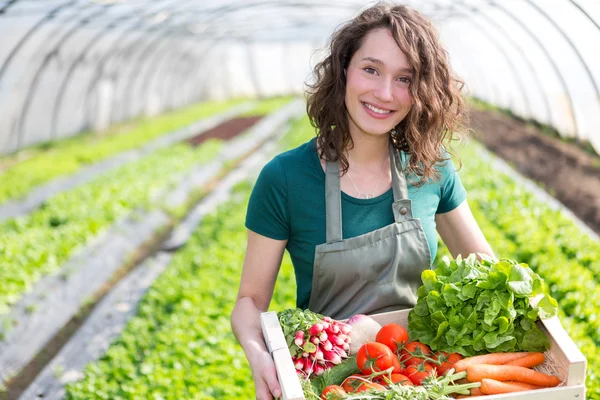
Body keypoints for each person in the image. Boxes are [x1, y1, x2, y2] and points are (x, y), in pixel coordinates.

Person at [231, 3, 494, 399]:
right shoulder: (285, 178)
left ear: (421, 90)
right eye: (371, 69)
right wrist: (259, 355)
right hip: (330, 383)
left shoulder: (431, 169)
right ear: (343, 71)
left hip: (421, 377)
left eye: (404, 78)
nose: (385, 94)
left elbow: (485, 271)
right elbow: (249, 301)